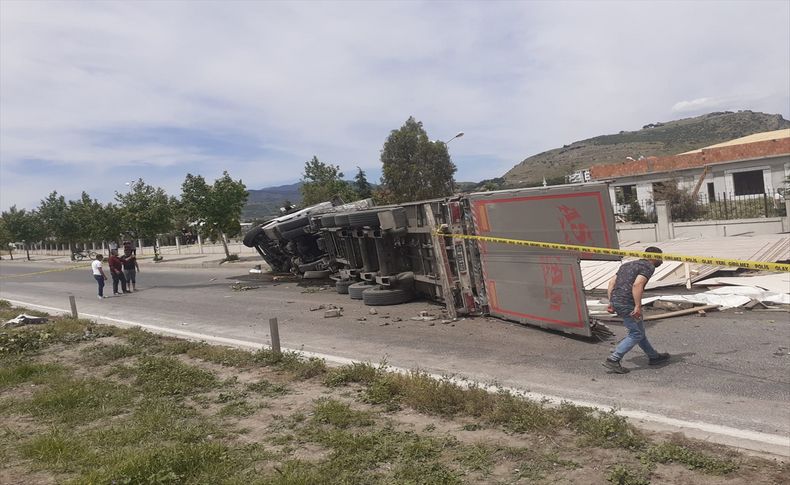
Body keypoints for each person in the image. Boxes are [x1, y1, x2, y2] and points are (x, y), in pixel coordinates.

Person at [603, 246, 670, 374]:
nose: (661, 261)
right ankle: (613, 359)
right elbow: (637, 284)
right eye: (660, 258)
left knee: (640, 332)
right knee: (635, 334)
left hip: (617, 300)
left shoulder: (627, 265)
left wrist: (612, 302)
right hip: (627, 302)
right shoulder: (648, 266)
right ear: (654, 257)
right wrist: (638, 306)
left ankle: (654, 357)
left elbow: (612, 283)